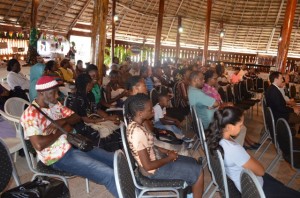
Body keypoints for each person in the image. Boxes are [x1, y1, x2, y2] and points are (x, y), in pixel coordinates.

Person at [20, 76, 118, 197]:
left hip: (75, 143)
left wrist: (59, 123)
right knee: (108, 174)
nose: (57, 96)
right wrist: (62, 130)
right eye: (53, 93)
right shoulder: (30, 115)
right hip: (58, 157)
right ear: (41, 93)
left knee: (115, 159)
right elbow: (39, 145)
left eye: (57, 91)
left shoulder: (54, 105)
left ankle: (136, 184)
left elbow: (76, 117)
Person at [206, 106, 300, 197]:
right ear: (229, 127)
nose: (242, 127)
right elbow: (261, 171)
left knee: (280, 186)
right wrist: (247, 156)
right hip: (254, 190)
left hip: (245, 183)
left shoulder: (218, 139)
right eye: (240, 125)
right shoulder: (232, 149)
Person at [125, 93, 204, 198]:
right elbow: (148, 166)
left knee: (193, 162)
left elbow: (149, 147)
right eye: (150, 110)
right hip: (153, 171)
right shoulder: (137, 133)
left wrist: (166, 151)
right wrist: (169, 158)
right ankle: (193, 189)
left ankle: (190, 193)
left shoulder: (135, 124)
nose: (153, 111)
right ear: (140, 113)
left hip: (156, 160)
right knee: (198, 171)